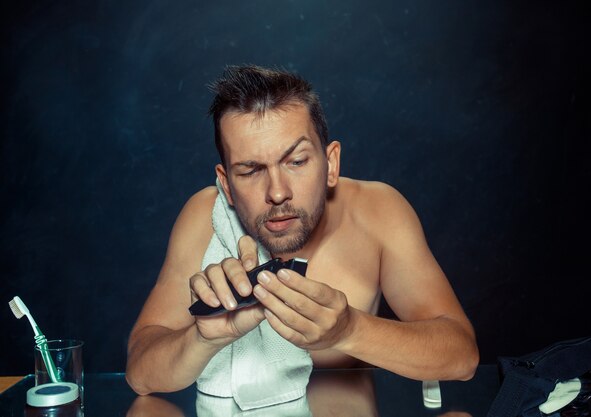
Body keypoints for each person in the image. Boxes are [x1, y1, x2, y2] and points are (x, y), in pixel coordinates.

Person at [125, 65, 479, 395]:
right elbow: (140, 373)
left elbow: (461, 356)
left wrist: (350, 329)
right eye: (250, 171)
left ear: (331, 163)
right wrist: (203, 339)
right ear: (227, 185)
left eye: (296, 161)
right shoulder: (203, 216)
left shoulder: (379, 211)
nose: (278, 192)